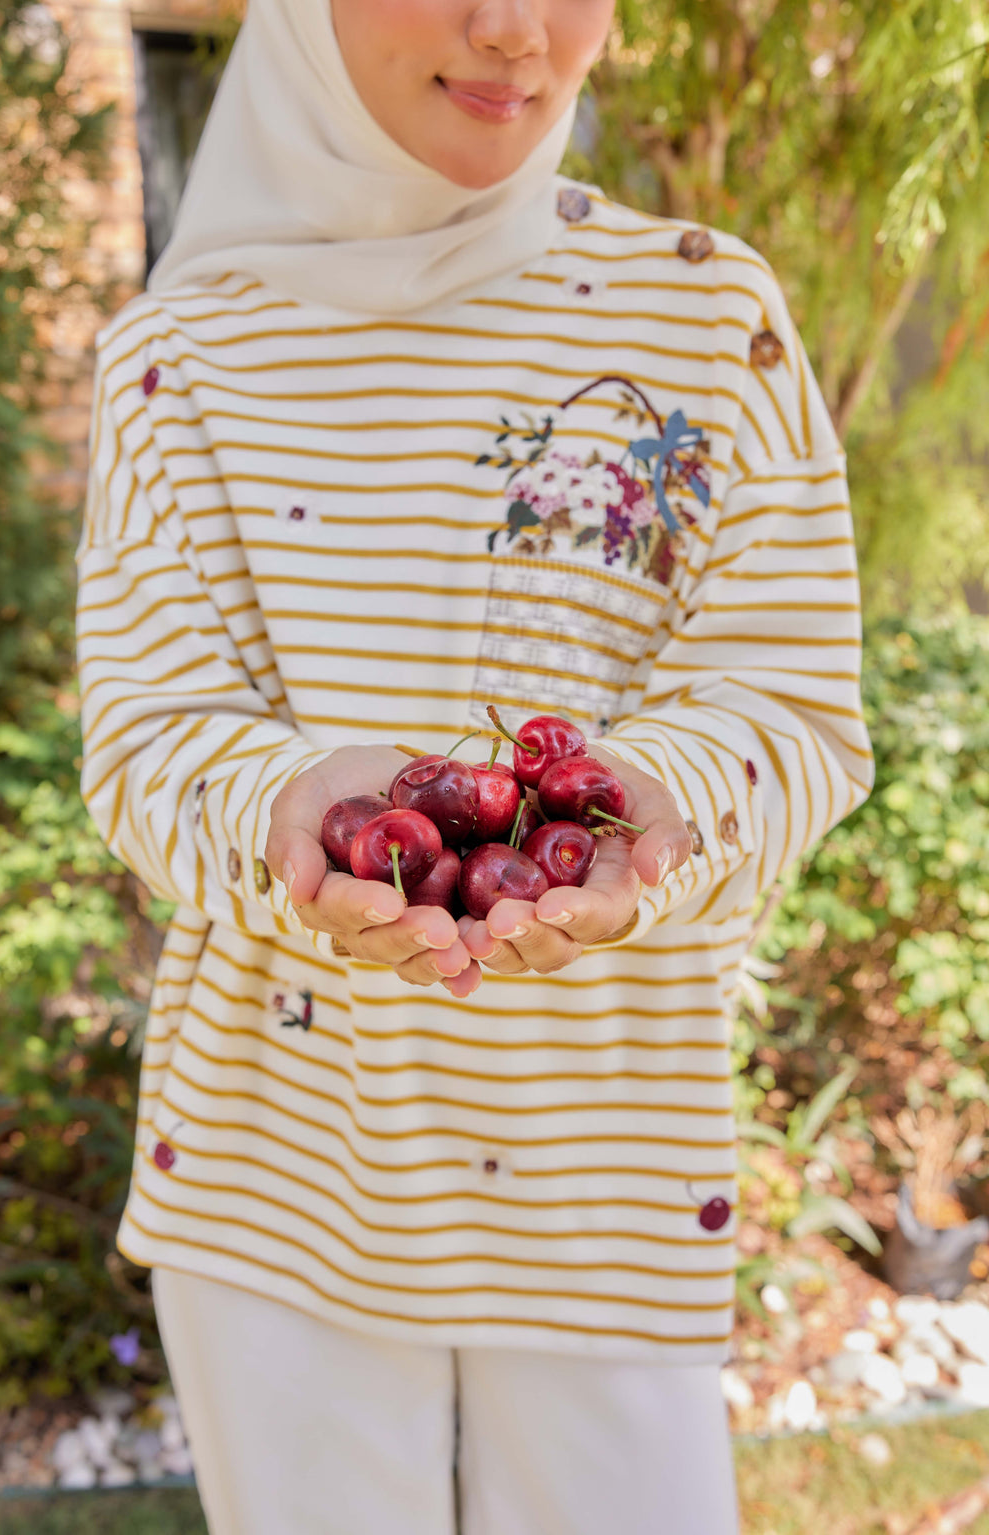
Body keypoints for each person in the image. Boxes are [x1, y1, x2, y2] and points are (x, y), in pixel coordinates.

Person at [76, 0, 873, 1529]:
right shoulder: (179, 361)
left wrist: (661, 810)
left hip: (606, 1183)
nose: (514, 28)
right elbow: (148, 732)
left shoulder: (704, 319)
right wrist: (288, 811)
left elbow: (790, 698)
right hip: (275, 1192)